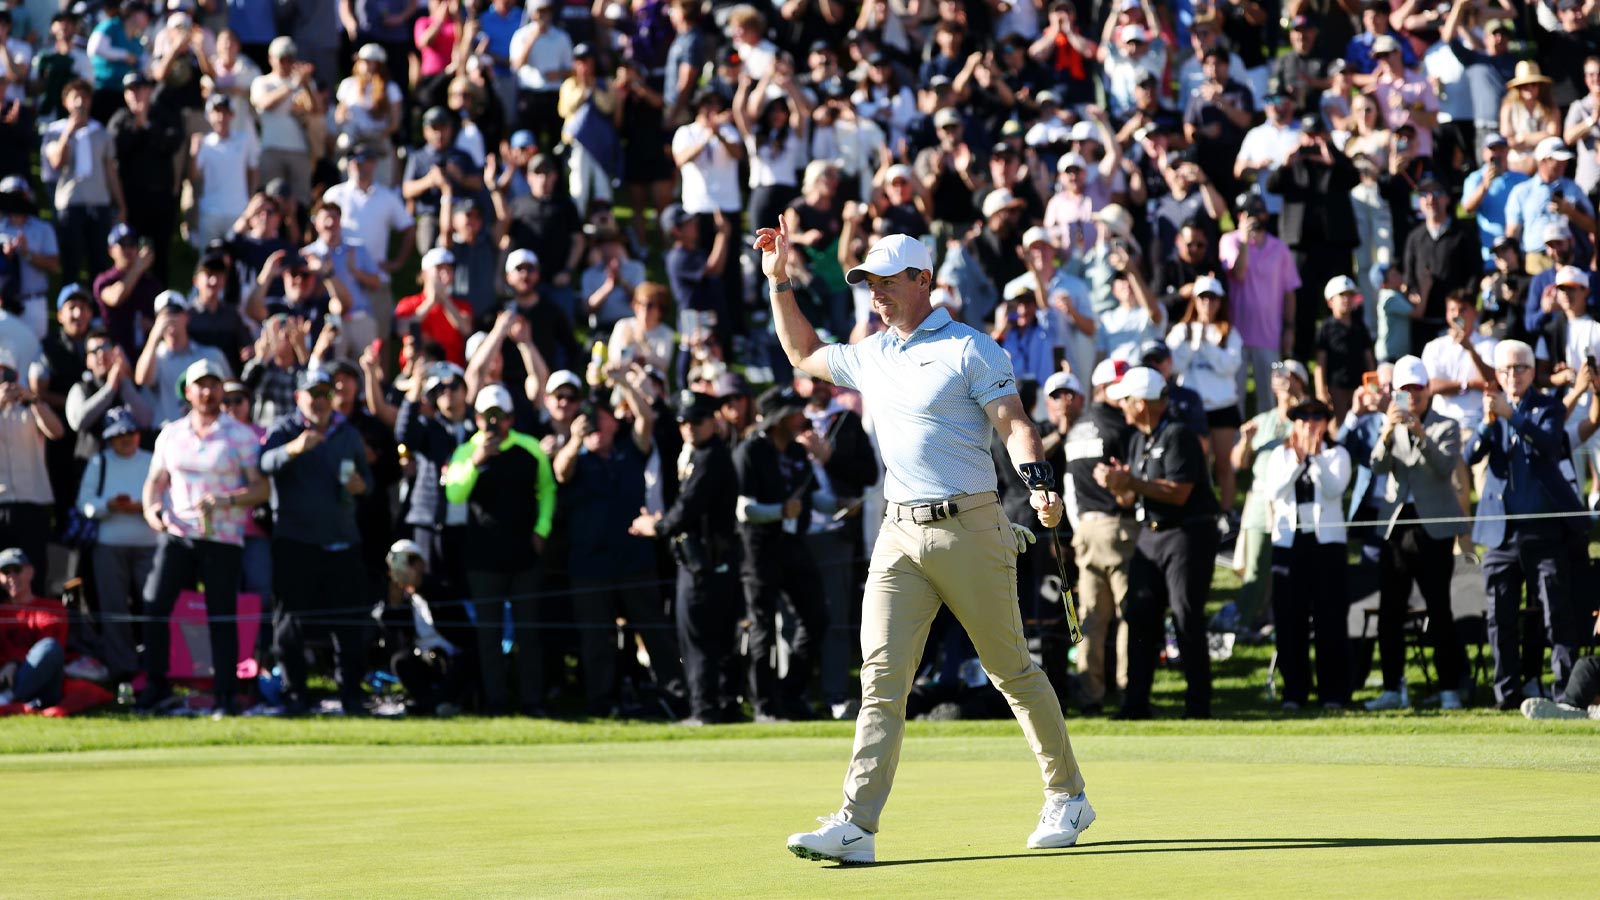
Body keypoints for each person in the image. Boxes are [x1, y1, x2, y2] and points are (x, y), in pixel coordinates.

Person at [760, 228, 1090, 863]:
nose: (877, 293)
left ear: (922, 280)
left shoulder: (973, 349)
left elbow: (1016, 426)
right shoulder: (871, 352)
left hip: (972, 527)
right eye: (869, 284)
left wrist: (1040, 483)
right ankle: (857, 825)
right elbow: (802, 353)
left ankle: (1068, 795)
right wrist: (779, 280)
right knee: (881, 679)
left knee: (1011, 672)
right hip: (898, 533)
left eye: (888, 281)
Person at [136, 358, 270, 716]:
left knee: (221, 615)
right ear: (188, 391)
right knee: (154, 603)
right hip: (178, 534)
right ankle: (156, 685)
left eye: (214, 384)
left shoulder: (240, 435)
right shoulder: (171, 433)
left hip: (222, 538)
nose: (208, 392)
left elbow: (261, 489)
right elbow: (155, 482)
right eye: (201, 385)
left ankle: (225, 694)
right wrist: (152, 511)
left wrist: (226, 500)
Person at [1466, 340, 1588, 709]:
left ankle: (1566, 695)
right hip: (1500, 534)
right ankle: (1507, 695)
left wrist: (1513, 417)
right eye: (1504, 369)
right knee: (1499, 618)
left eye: (1519, 368)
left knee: (1556, 613)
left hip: (1542, 530)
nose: (1512, 375)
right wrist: (1490, 424)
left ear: (1532, 372)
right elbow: (1470, 454)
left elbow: (1551, 445)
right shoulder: (1490, 411)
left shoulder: (1548, 407)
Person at [1096, 367, 1220, 721]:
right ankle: (1135, 704)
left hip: (1187, 533)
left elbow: (1178, 492)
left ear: (1143, 403)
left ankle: (1198, 705)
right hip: (1152, 533)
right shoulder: (1137, 439)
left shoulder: (1180, 435)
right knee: (1139, 613)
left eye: (1126, 399)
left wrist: (1129, 480)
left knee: (1186, 616)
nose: (1121, 405)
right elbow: (1128, 498)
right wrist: (1118, 484)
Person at [259, 367, 374, 716]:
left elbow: (367, 480)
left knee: (349, 625)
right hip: (296, 542)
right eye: (313, 394)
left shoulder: (347, 434)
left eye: (325, 394)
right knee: (290, 625)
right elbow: (264, 463)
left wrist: (360, 486)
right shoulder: (284, 430)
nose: (320, 401)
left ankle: (351, 695)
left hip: (341, 542)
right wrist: (293, 449)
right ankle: (296, 695)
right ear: (299, 398)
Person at [443, 383, 556, 716]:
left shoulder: (530, 448)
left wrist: (542, 529)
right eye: (486, 417)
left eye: (499, 417)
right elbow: (455, 494)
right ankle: (495, 701)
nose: (493, 424)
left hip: (524, 555)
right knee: (488, 635)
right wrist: (477, 462)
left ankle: (532, 700)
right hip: (483, 558)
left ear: (510, 418)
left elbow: (547, 491)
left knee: (528, 632)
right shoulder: (467, 450)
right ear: (477, 418)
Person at [1365, 354, 1471, 711]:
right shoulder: (1390, 425)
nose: (1411, 396)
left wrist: (1420, 434)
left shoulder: (1446, 425)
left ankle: (1449, 689)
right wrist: (1385, 431)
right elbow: (1377, 466)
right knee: (1390, 612)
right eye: (1404, 389)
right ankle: (1394, 687)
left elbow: (1444, 470)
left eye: (1417, 388)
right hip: (1397, 526)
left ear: (1428, 389)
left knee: (1439, 610)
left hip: (1434, 529)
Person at [629, 391, 742, 725]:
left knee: (699, 639)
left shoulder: (710, 458)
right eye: (684, 422)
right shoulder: (700, 454)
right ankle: (720, 707)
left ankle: (705, 709)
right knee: (713, 639)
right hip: (708, 562)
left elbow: (688, 509)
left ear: (712, 421)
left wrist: (657, 525)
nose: (689, 428)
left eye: (696, 421)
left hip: (704, 564)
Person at [730, 385, 832, 722]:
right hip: (759, 549)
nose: (801, 416)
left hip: (792, 546)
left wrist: (843, 505)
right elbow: (744, 509)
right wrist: (779, 511)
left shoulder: (797, 452)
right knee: (762, 627)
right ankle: (766, 706)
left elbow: (813, 499)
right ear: (779, 420)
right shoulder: (749, 452)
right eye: (793, 413)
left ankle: (790, 694)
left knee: (816, 616)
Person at [1260, 398, 1352, 710]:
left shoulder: (1337, 454)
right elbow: (1275, 491)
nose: (1309, 424)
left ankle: (1333, 692)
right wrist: (1298, 459)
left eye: (1316, 418)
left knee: (1330, 618)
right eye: (1302, 418)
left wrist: (1315, 458)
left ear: (1326, 423)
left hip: (1327, 546)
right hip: (1290, 543)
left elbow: (1333, 489)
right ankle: (1295, 692)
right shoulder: (1280, 455)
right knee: (1290, 619)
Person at [1063, 359, 1135, 716]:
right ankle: (1128, 691)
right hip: (1116, 526)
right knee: (1128, 615)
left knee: (1092, 618)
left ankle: (1090, 696)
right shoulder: (1121, 426)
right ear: (1106, 389)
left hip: (1085, 529)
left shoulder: (1079, 427)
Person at [75, 408, 157, 682]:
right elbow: (84, 503)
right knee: (114, 609)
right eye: (119, 434)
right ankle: (122, 669)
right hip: (109, 545)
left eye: (130, 432)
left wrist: (143, 507)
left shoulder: (152, 460)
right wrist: (108, 506)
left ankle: (156, 668)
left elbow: (165, 498)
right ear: (110, 438)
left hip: (150, 544)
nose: (126, 438)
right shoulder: (100, 462)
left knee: (154, 607)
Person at [370, 539, 463, 717]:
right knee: (401, 661)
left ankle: (438, 704)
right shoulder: (404, 598)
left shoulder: (440, 587)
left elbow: (459, 631)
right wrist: (393, 605)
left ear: (420, 564)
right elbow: (389, 626)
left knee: (465, 662)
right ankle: (430, 704)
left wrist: (419, 588)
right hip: (424, 657)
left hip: (451, 656)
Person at [0, 348, 64, 595]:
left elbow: (56, 431)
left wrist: (34, 400)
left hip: (32, 503)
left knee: (34, 571)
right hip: (1, 503)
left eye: (7, 374)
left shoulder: (30, 409)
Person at [0, 548, 67, 709]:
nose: (11, 577)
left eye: (16, 570)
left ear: (30, 572)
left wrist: (15, 663)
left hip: (43, 683)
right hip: (4, 677)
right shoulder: (2, 611)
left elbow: (51, 648)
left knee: (50, 647)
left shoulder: (52, 607)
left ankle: (9, 697)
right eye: (5, 572)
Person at [1315, 275, 1378, 423]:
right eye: (1341, 295)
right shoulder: (1325, 328)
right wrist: (1321, 391)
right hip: (1337, 388)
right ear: (1330, 301)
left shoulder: (1360, 327)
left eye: (1350, 295)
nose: (1346, 299)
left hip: (1360, 386)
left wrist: (1374, 385)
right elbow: (1320, 363)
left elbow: (1368, 357)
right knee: (1339, 425)